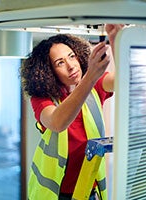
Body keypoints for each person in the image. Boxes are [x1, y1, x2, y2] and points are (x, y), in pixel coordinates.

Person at [20, 24, 123, 200]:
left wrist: (117, 40)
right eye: (60, 63)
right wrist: (90, 76)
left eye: (71, 56)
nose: (71, 66)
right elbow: (58, 122)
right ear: (49, 72)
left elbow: (123, 78)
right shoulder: (42, 99)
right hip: (56, 195)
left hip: (89, 189)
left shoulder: (94, 86)